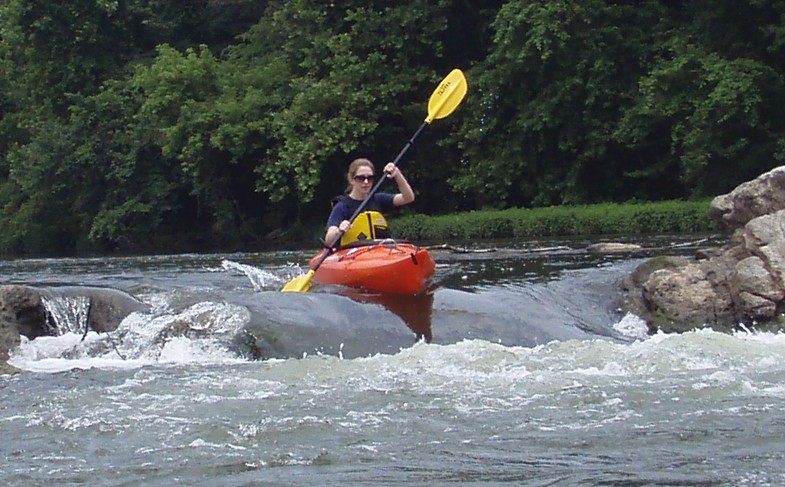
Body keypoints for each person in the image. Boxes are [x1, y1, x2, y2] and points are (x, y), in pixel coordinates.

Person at [325, 157, 415, 246]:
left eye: (370, 178)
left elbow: (408, 197)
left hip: (380, 253)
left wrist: (397, 174)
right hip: (353, 255)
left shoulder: (378, 199)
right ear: (351, 179)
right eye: (361, 178)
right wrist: (339, 230)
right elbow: (329, 239)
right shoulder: (342, 207)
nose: (366, 182)